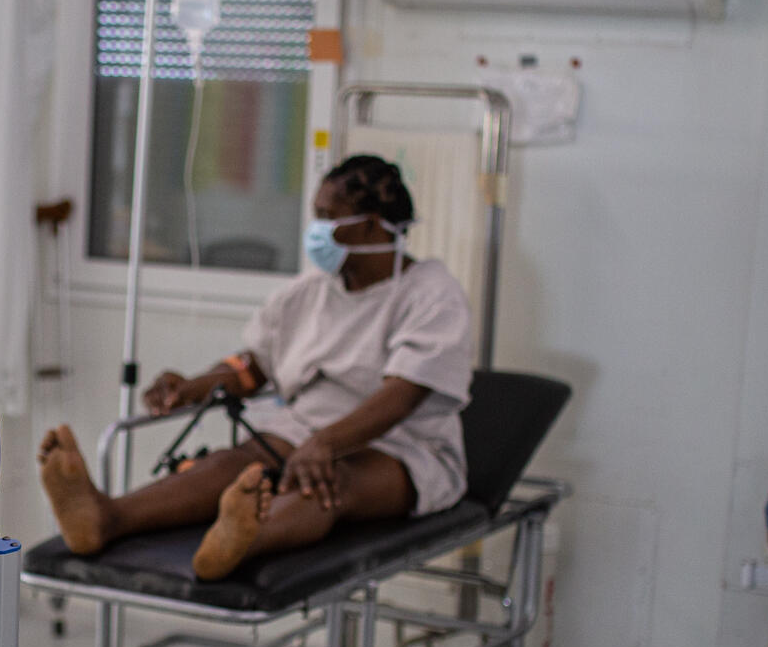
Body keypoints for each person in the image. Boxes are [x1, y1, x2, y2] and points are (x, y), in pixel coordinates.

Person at [38, 155, 473, 582]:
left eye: (327, 217)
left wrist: (325, 443)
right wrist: (195, 385)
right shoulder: (307, 293)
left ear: (373, 225)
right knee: (236, 463)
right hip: (306, 432)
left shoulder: (430, 294)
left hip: (404, 446)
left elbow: (400, 400)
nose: (315, 230)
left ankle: (243, 539)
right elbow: (251, 367)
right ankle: (106, 516)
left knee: (326, 483)